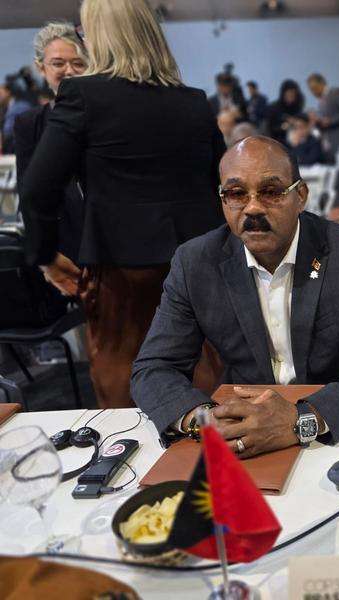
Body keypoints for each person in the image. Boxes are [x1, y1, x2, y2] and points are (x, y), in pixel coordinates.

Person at [131, 137, 339, 453]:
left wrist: (302, 419)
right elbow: (153, 369)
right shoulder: (195, 262)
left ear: (301, 196)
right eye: (236, 194)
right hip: (242, 430)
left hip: (333, 424)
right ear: (223, 200)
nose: (252, 208)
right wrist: (209, 421)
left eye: (271, 192)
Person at [20, 0, 225, 408]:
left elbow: (36, 189)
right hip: (198, 263)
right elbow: (219, 183)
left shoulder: (81, 95)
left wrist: (45, 257)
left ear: (100, 35)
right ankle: (205, 468)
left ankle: (137, 471)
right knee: (203, 376)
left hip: (121, 271)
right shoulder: (194, 101)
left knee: (125, 389)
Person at [14, 22, 87, 265]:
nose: (69, 70)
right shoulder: (29, 123)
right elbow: (28, 192)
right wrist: (50, 260)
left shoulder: (104, 117)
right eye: (58, 63)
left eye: (78, 63)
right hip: (59, 248)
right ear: (41, 68)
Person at [306, 73, 339, 161]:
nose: (313, 92)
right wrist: (317, 121)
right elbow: (326, 120)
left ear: (322, 83)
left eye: (314, 88)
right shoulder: (322, 100)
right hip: (329, 145)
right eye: (311, 90)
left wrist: (331, 121)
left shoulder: (337, 93)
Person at [265, 79, 305, 145]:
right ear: (284, 94)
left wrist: (295, 121)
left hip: (295, 141)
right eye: (289, 94)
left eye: (293, 94)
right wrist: (282, 127)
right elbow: (269, 129)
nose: (291, 96)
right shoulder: (274, 108)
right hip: (277, 141)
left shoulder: (297, 107)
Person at [1, 81, 32, 154]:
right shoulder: (5, 109)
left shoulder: (21, 107)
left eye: (0, 93)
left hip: (20, 150)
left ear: (8, 92)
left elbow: (7, 131)